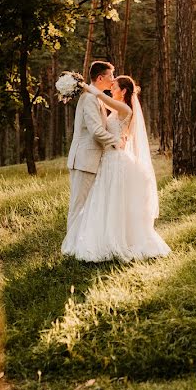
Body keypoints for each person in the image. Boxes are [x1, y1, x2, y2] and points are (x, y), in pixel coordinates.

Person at [62, 74, 170, 262]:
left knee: (113, 200)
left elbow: (102, 98)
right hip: (108, 159)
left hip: (116, 159)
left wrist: (82, 85)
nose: (111, 89)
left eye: (115, 87)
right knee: (105, 200)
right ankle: (103, 235)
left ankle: (117, 239)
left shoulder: (124, 108)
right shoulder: (116, 108)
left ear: (124, 91)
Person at [65, 61, 120, 239]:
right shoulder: (89, 98)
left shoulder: (95, 97)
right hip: (83, 159)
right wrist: (116, 141)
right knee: (78, 205)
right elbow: (96, 131)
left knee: (86, 206)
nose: (113, 80)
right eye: (111, 76)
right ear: (100, 77)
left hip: (90, 160)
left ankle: (80, 243)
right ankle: (70, 247)